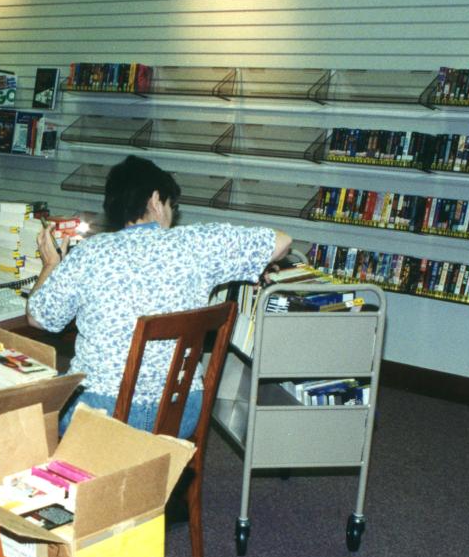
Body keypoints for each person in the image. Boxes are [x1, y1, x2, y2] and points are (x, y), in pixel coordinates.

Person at [27, 155, 292, 437]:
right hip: (180, 413)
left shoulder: (89, 253)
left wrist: (51, 264)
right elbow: (282, 241)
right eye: (171, 205)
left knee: (36, 391)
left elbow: (39, 319)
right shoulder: (197, 243)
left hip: (99, 415)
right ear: (155, 199)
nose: (172, 214)